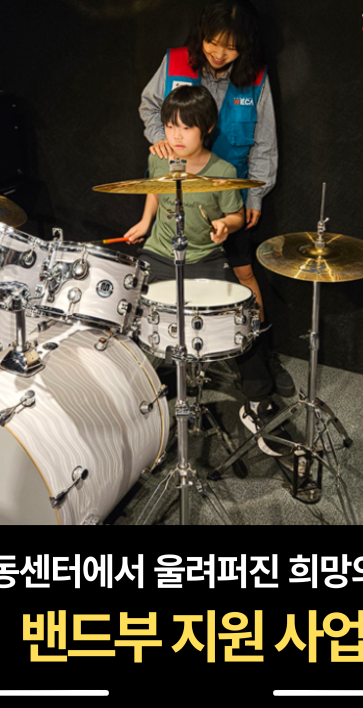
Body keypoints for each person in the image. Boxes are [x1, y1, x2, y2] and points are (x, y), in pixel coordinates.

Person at [138, 0, 294, 399]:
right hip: (178, 190)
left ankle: (259, 351)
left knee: (243, 277)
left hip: (228, 196)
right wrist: (160, 140)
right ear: (201, 34)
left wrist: (256, 196)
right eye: (213, 42)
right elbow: (149, 106)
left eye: (231, 46)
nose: (219, 53)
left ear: (245, 46)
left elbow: (265, 142)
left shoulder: (256, 78)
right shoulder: (174, 62)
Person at [125, 84, 291, 456]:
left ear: (207, 128)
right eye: (170, 126)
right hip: (160, 253)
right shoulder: (159, 157)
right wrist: (145, 222)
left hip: (205, 258)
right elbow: (154, 189)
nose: (176, 135)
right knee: (125, 310)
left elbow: (236, 215)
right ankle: (126, 398)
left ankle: (257, 403)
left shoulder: (223, 171)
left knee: (238, 318)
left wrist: (225, 226)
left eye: (186, 127)